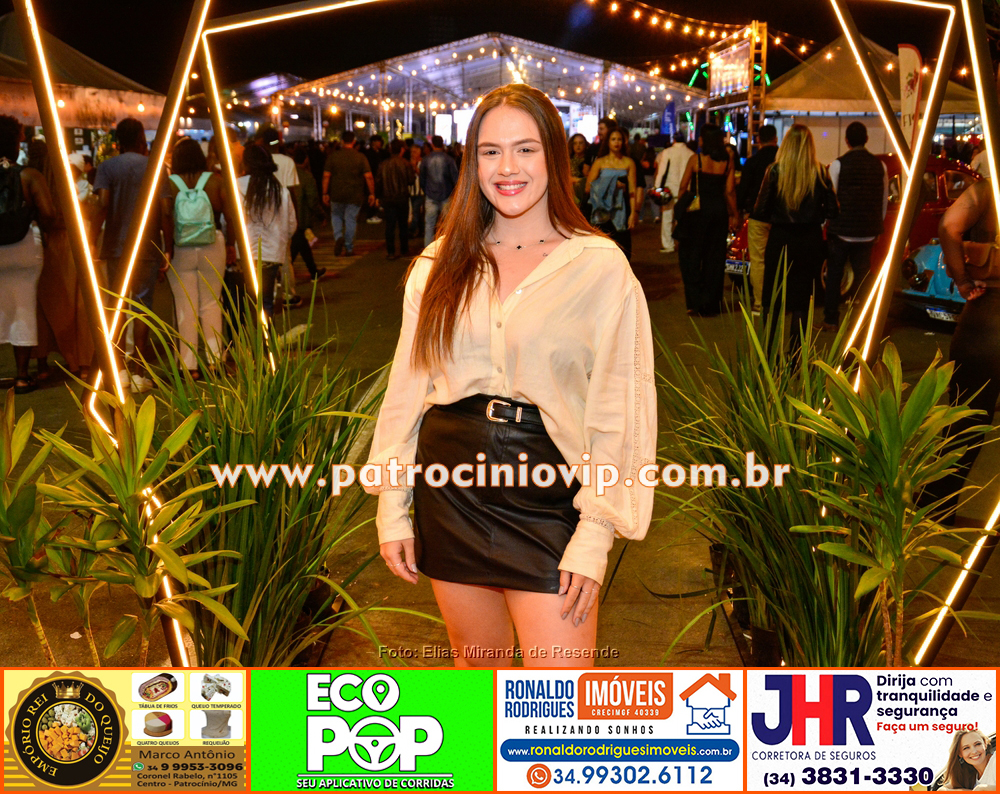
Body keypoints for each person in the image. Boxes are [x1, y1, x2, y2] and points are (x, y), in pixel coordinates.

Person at [364, 83, 655, 668]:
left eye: (525, 149)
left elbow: (621, 406)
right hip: (451, 489)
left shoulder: (599, 267)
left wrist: (596, 532)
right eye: (491, 151)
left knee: (558, 702)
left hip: (551, 493)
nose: (508, 168)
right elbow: (407, 390)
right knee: (479, 682)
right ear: (473, 162)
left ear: (555, 156)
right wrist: (392, 505)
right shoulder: (437, 264)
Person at [928, 178, 1000, 520]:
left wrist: (962, 279)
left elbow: (948, 225)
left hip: (988, 313)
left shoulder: (989, 189)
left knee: (965, 418)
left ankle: (938, 504)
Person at [90, 117, 162, 393]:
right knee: (142, 308)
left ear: (117, 141)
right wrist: (166, 246)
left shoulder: (107, 167)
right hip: (147, 246)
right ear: (142, 138)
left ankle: (119, 370)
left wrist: (92, 239)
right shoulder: (154, 166)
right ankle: (139, 372)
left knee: (117, 305)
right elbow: (165, 209)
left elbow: (102, 204)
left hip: (116, 246)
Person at [753, 123, 838, 356]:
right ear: (810, 146)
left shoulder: (774, 171)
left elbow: (760, 210)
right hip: (809, 240)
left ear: (786, 144)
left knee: (772, 300)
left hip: (780, 239)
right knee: (802, 301)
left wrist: (779, 214)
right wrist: (815, 214)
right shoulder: (820, 172)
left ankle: (767, 356)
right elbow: (833, 210)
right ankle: (796, 357)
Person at [160, 138, 237, 378]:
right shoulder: (215, 181)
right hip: (213, 245)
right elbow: (230, 215)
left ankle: (188, 366)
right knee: (212, 302)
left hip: (180, 249)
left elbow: (165, 215)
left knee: (185, 306)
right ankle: (216, 361)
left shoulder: (170, 184)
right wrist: (232, 244)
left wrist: (168, 248)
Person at [27, 141, 95, 383]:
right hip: (67, 241)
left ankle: (41, 363)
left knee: (41, 307)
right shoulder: (61, 180)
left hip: (37, 243)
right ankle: (80, 361)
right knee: (76, 303)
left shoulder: (28, 177)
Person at [0, 115, 56, 394]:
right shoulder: (29, 175)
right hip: (24, 248)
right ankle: (22, 375)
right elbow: (48, 213)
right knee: (23, 306)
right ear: (15, 142)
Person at [823, 121, 888, 330]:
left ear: (846, 140)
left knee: (834, 275)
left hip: (841, 231)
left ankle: (831, 319)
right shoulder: (880, 166)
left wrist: (826, 223)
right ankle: (865, 320)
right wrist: (878, 226)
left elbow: (831, 199)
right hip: (868, 231)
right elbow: (883, 199)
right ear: (867, 139)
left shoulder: (838, 164)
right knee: (863, 276)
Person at [675, 124, 739, 315]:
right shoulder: (727, 161)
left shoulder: (696, 160)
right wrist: (734, 214)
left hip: (697, 213)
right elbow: (729, 191)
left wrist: (681, 210)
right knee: (715, 258)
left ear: (704, 140)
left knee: (692, 256)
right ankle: (711, 304)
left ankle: (695, 302)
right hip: (718, 212)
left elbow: (683, 187)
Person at [237, 144, 296, 318]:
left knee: (243, 303)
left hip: (244, 253)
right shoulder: (281, 191)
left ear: (246, 163)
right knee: (266, 302)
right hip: (271, 254)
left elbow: (229, 221)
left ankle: (245, 334)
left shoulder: (236, 186)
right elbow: (291, 225)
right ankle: (266, 335)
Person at [737, 124, 779, 312]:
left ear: (759, 140)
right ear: (776, 139)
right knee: (778, 259)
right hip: (780, 218)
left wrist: (740, 211)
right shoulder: (783, 161)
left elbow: (743, 189)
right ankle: (778, 299)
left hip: (758, 217)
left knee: (758, 259)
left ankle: (760, 302)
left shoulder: (752, 162)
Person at [257, 128, 300, 307]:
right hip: (282, 211)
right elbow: (292, 191)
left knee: (262, 257)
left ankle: (268, 293)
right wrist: (294, 216)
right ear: (279, 142)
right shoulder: (287, 161)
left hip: (261, 211)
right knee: (284, 257)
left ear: (261, 141)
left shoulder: (259, 161)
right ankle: (289, 294)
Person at [585, 128, 637, 261]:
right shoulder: (600, 163)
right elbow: (588, 188)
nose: (616, 142)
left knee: (623, 250)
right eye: (613, 139)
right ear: (608, 142)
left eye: (619, 139)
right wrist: (612, 184)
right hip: (601, 211)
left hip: (621, 211)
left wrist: (633, 213)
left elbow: (632, 190)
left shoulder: (629, 163)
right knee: (602, 251)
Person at [322, 131, 374, 256]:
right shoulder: (360, 157)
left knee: (336, 216)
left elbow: (326, 176)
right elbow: (368, 177)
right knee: (351, 219)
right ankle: (349, 247)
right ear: (354, 141)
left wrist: (324, 193)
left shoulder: (333, 156)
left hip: (336, 193)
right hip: (355, 195)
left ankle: (338, 237)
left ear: (341, 141)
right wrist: (372, 193)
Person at [653, 130, 695, 254]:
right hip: (685, 191)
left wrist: (657, 187)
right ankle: (683, 244)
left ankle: (668, 245)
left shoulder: (667, 152)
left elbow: (661, 172)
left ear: (674, 140)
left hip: (669, 190)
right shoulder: (691, 153)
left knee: (667, 218)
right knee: (682, 218)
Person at [291, 146, 327, 280]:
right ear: (306, 160)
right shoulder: (306, 177)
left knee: (302, 244)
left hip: (289, 215)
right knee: (296, 245)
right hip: (301, 217)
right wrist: (321, 215)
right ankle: (279, 274)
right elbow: (312, 200)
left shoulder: (288, 174)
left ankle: (313, 271)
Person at [376, 139, 416, 260]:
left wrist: (378, 196)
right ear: (402, 150)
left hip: (388, 198)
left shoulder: (383, 164)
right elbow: (411, 181)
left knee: (390, 225)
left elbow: (378, 182)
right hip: (402, 197)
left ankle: (391, 251)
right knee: (403, 225)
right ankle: (404, 249)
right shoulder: (405, 163)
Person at [419, 135, 459, 247]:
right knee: (447, 226)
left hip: (430, 196)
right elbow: (455, 179)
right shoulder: (449, 159)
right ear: (442, 144)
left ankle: (427, 249)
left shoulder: (426, 159)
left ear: (432, 145)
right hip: (446, 195)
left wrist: (426, 191)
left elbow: (422, 179)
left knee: (429, 225)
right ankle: (447, 249)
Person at [567, 133, 589, 208]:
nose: (578, 146)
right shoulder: (568, 160)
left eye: (580, 143)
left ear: (585, 144)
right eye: (575, 143)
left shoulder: (588, 161)